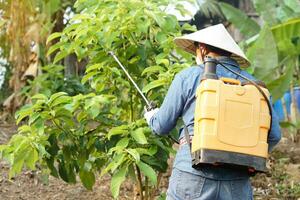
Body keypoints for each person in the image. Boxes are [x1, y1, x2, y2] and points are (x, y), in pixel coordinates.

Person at [144, 24, 281, 200]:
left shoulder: (189, 76)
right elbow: (275, 135)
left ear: (202, 48)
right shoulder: (255, 86)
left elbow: (161, 126)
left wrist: (151, 116)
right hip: (237, 181)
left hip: (192, 174)